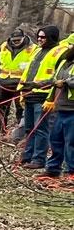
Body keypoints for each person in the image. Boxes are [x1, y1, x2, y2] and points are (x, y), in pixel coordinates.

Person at [17, 25, 67, 169]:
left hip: (44, 96)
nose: (39, 39)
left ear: (51, 37)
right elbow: (28, 71)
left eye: (43, 37)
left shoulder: (60, 53)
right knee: (29, 128)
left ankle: (38, 159)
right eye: (38, 36)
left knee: (40, 129)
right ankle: (27, 157)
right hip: (29, 95)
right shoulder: (37, 51)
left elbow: (59, 77)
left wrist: (50, 97)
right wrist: (23, 91)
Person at [0, 29, 34, 136]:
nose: (15, 42)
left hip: (22, 85)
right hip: (4, 84)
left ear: (24, 37)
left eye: (18, 40)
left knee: (21, 109)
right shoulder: (4, 46)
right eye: (14, 40)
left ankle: (20, 133)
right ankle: (1, 131)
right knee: (2, 109)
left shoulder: (33, 49)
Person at [41, 46, 74, 183]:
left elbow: (66, 82)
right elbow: (54, 80)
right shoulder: (63, 63)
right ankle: (53, 169)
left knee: (71, 142)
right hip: (60, 108)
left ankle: (71, 171)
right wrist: (36, 85)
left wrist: (66, 82)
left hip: (72, 109)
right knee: (55, 139)